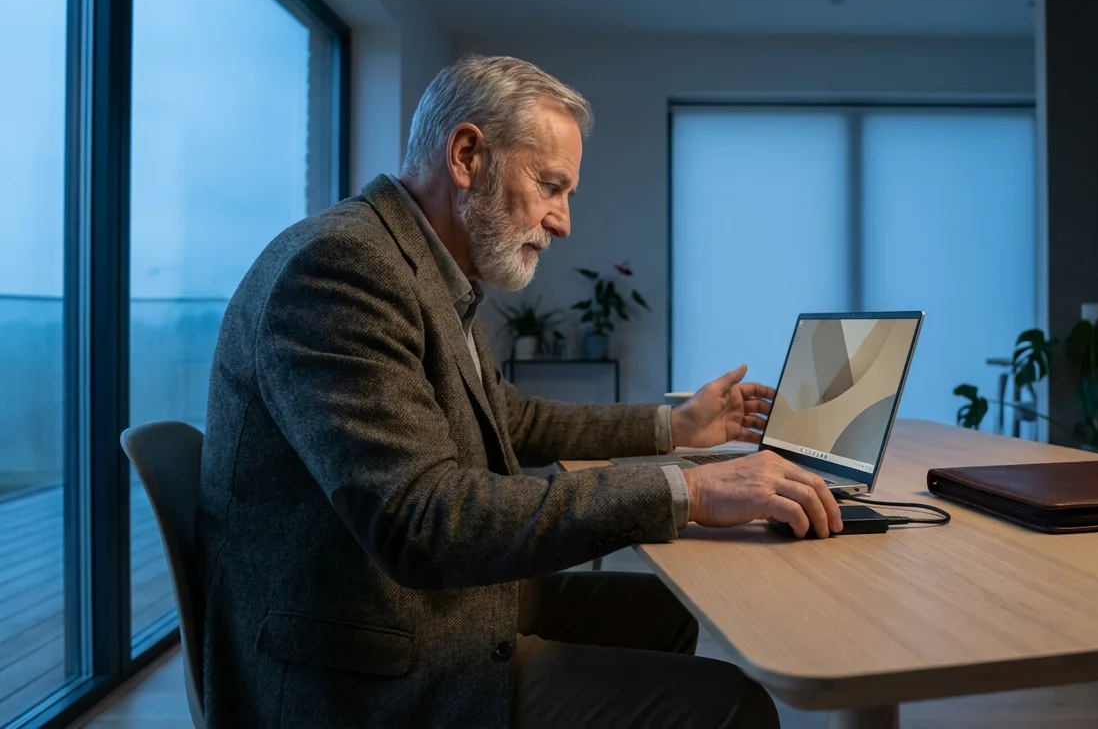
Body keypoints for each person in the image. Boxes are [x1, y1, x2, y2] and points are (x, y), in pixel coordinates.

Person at [197, 54, 843, 728]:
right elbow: (425, 522)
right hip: (365, 666)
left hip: (412, 608)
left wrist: (673, 429)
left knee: (666, 613)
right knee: (731, 709)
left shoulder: (423, 266)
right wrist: (692, 491)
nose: (563, 222)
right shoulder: (343, 268)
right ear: (468, 155)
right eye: (551, 185)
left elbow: (510, 418)